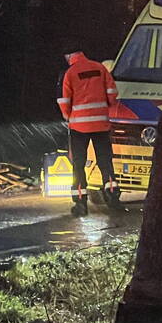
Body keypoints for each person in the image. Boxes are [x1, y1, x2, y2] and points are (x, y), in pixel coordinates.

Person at [57, 49, 120, 216]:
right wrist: (107, 107)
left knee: (78, 165)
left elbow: (63, 100)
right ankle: (113, 197)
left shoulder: (69, 73)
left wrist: (68, 116)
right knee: (105, 162)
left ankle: (80, 204)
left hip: (79, 127)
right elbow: (112, 93)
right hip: (101, 124)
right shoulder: (100, 68)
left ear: (69, 56)